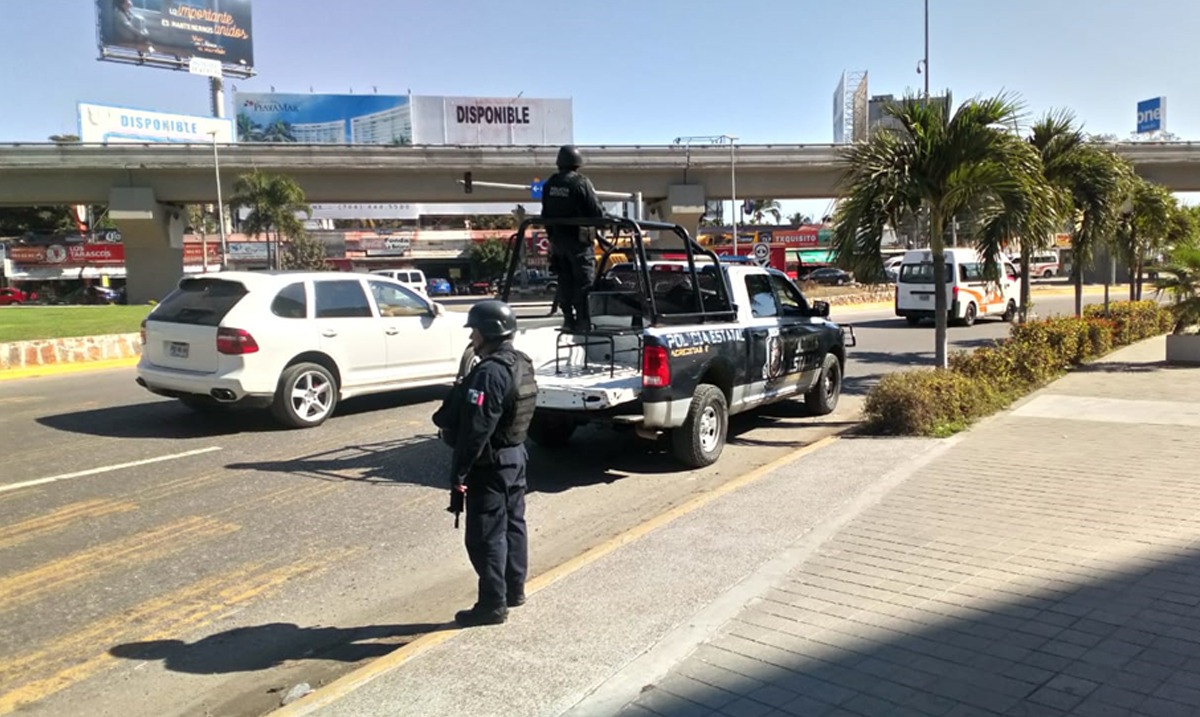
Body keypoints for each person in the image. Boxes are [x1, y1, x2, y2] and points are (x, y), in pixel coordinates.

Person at [432, 300, 538, 627]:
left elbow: (477, 429)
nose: (472, 336)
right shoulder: (521, 362)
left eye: (475, 330)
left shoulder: (489, 372)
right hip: (515, 456)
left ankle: (492, 604)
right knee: (512, 524)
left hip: (491, 464)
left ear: (488, 331)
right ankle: (513, 589)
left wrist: (459, 473)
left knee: (485, 536)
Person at [540, 145, 606, 333]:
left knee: (565, 280)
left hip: (558, 241)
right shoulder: (580, 182)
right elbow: (595, 210)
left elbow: (545, 213)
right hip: (579, 241)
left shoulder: (550, 184)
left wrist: (552, 238)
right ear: (577, 163)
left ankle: (568, 320)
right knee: (584, 281)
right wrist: (605, 220)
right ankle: (584, 321)